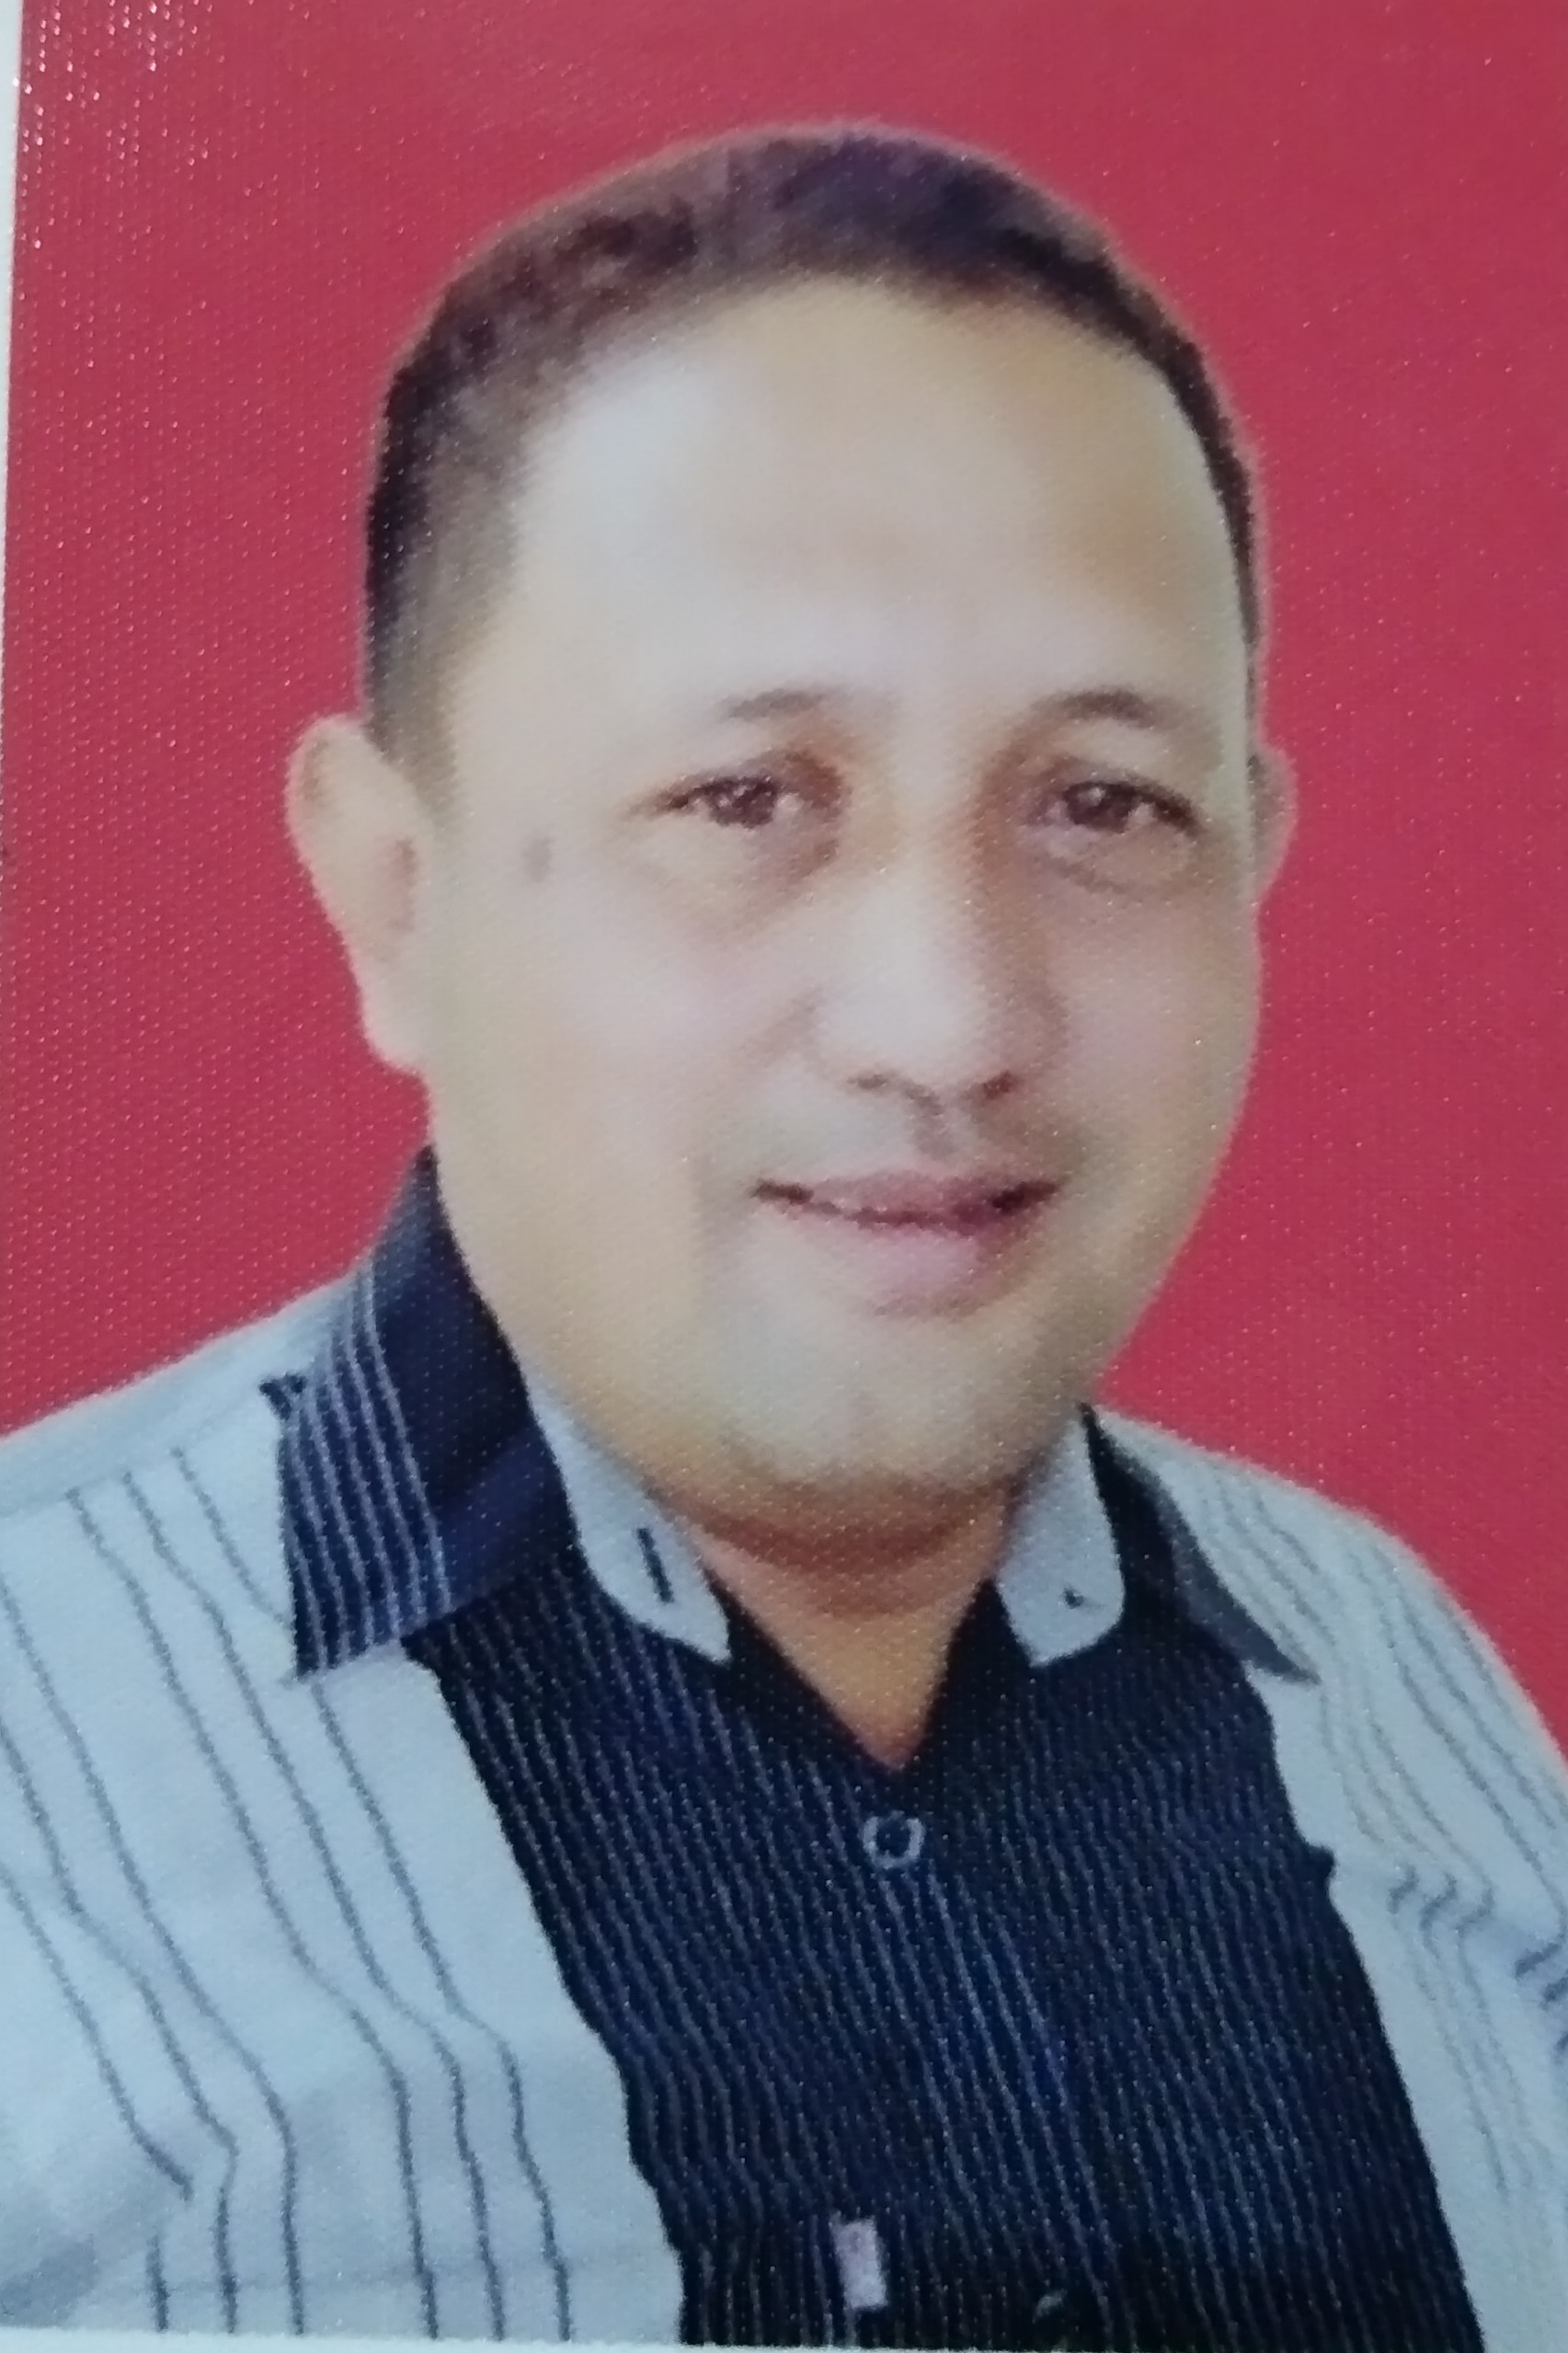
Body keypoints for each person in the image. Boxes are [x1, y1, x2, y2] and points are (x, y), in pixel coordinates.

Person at [0, 124, 1562, 2353]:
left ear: (1252, 865)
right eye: (745, 798)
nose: (949, 1019)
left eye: (1103, 802)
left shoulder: (1401, 1694)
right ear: (396, 893)